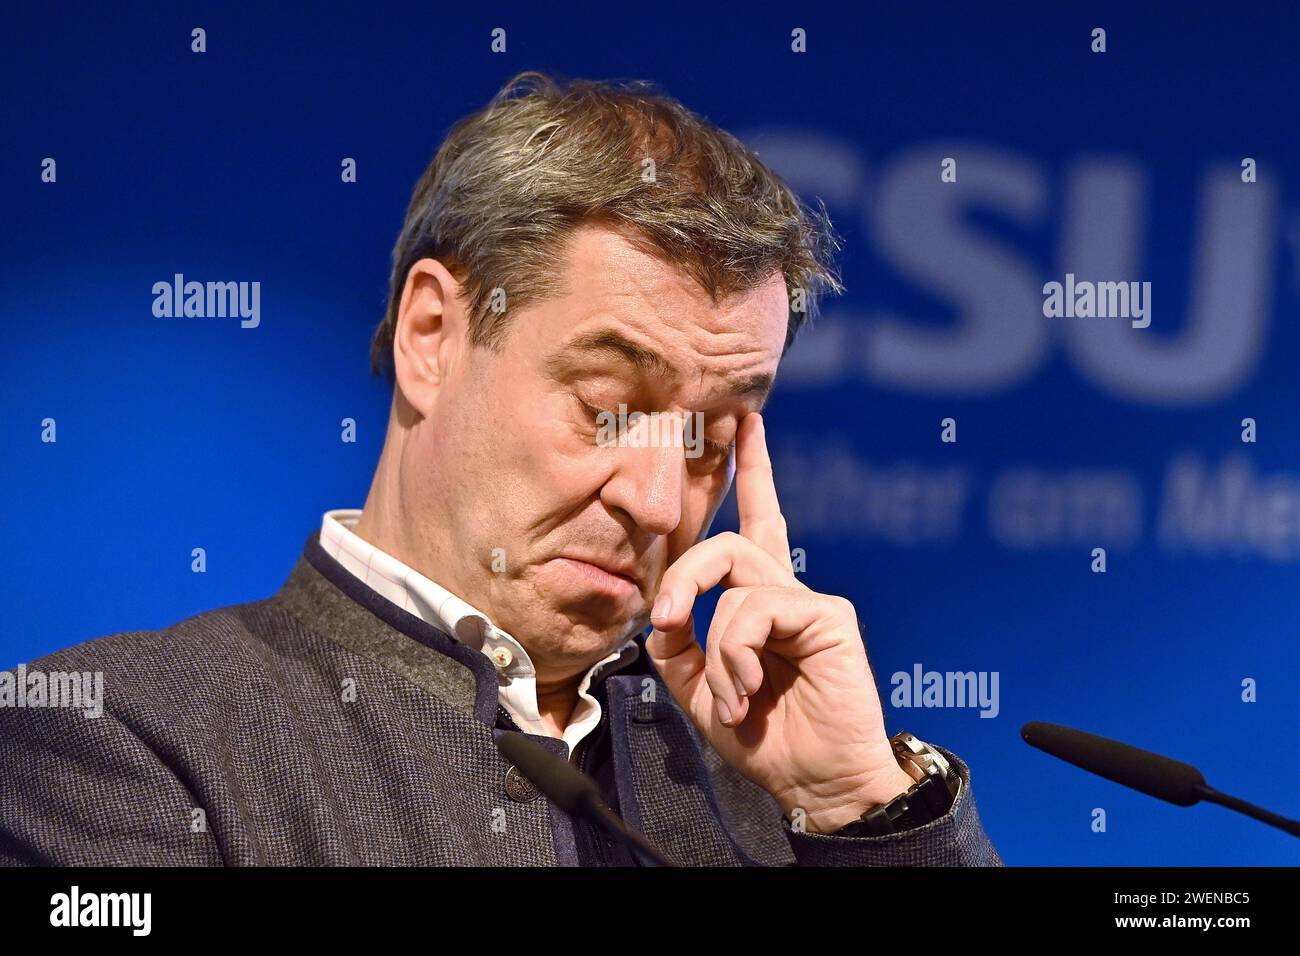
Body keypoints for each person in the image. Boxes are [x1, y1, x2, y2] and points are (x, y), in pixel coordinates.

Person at [0, 71, 1001, 866]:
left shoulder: (788, 796)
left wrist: (864, 810)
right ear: (433, 335)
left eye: (706, 440)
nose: (657, 502)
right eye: (609, 407)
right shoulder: (127, 739)